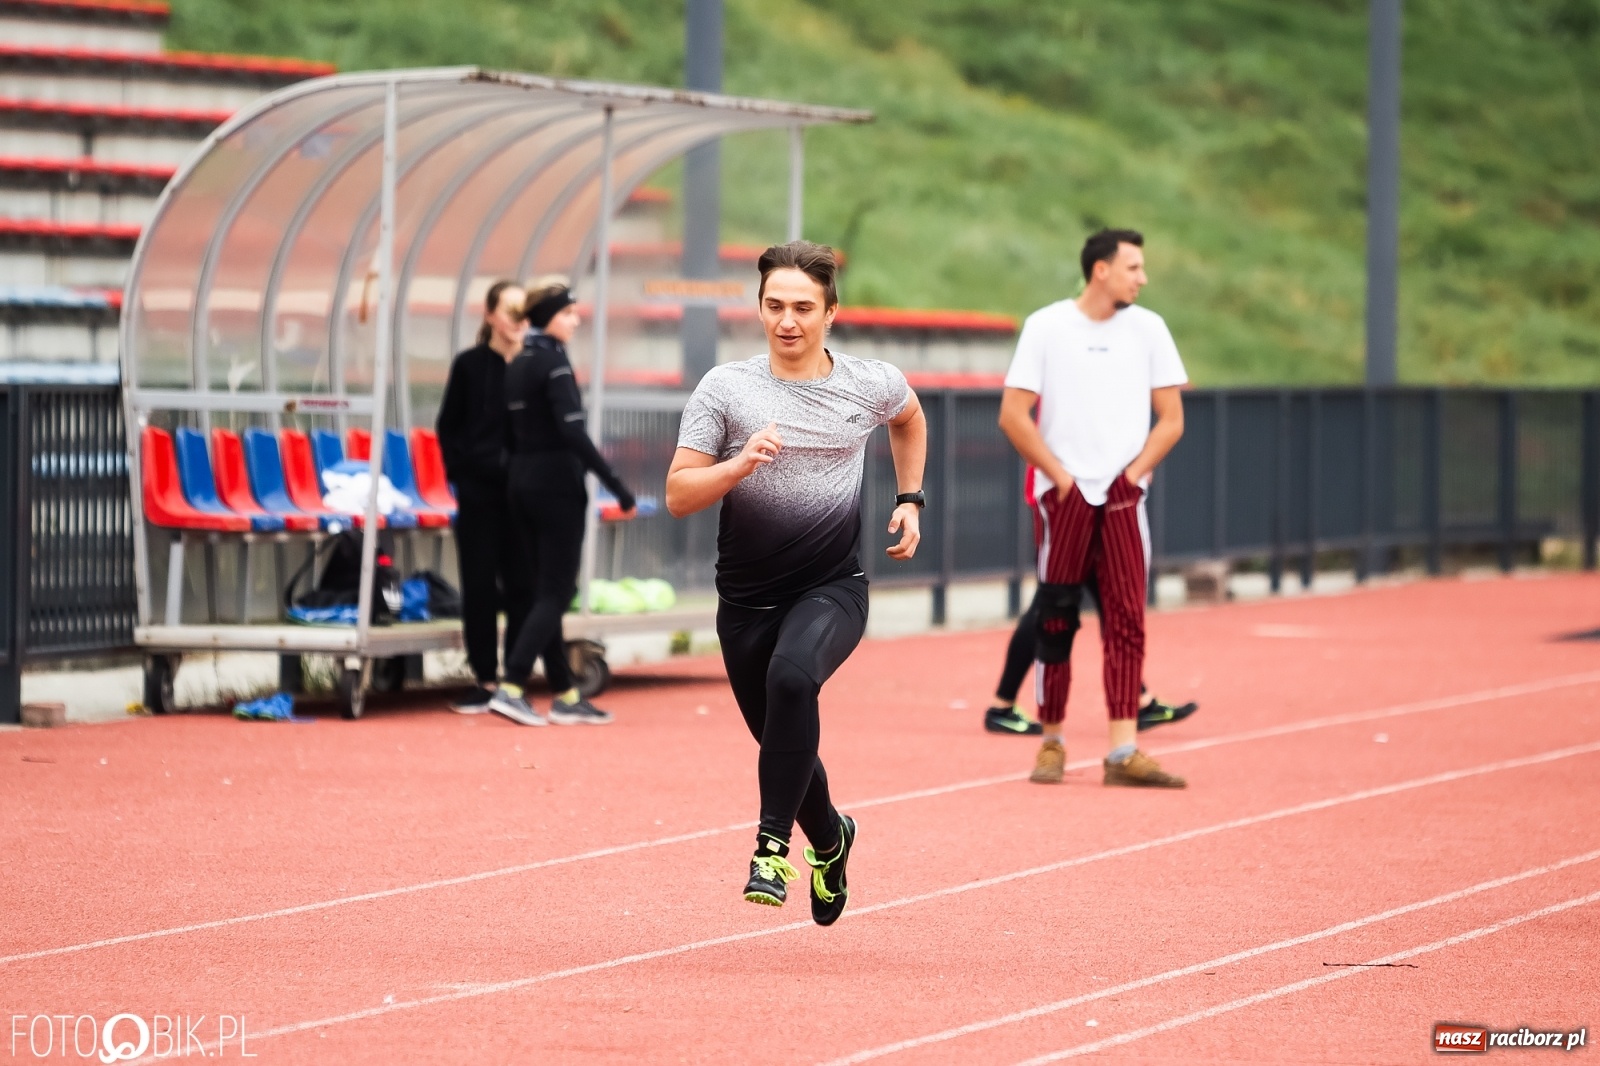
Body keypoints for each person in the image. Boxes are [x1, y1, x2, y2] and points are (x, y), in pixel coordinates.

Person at [666, 240, 927, 925]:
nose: (788, 320)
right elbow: (678, 494)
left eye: (803, 307)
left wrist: (911, 498)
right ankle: (832, 837)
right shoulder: (726, 389)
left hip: (831, 588)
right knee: (785, 738)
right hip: (745, 603)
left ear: (831, 313)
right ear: (758, 308)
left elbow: (908, 417)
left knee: (791, 682)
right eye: (775, 305)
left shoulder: (868, 383)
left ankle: (770, 850)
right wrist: (738, 467)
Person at [998, 228, 1188, 787]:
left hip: (1125, 498)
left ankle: (1122, 750)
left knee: (1127, 620)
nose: (1143, 277)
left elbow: (1172, 420)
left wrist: (1132, 477)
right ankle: (1050, 741)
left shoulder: (1149, 328)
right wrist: (1059, 478)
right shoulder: (1047, 326)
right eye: (1134, 267)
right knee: (1056, 616)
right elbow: (1013, 415)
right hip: (1066, 497)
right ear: (1101, 270)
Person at [487, 277, 637, 727]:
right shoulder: (553, 362)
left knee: (541, 594)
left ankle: (565, 692)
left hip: (520, 485)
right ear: (552, 316)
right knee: (557, 591)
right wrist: (618, 486)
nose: (575, 319)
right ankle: (511, 686)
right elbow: (572, 432)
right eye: (570, 312)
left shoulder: (518, 361)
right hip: (555, 487)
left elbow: (508, 436)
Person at [985, 470, 1198, 736]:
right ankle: (1002, 707)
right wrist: (1064, 482)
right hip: (1064, 496)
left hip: (1088, 496)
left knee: (1102, 601)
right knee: (1053, 599)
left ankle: (1139, 699)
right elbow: (1024, 429)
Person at [436, 279, 528, 713]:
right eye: (509, 310)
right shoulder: (470, 365)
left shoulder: (534, 365)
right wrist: (462, 472)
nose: (517, 320)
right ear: (490, 314)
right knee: (478, 586)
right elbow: (447, 426)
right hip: (478, 494)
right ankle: (485, 679)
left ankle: (515, 678)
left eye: (523, 311)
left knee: (522, 584)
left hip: (523, 495)